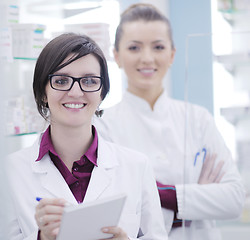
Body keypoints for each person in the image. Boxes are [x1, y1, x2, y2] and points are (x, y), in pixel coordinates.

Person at [0, 32, 167, 240]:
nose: (75, 92)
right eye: (62, 80)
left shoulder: (136, 166)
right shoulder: (8, 172)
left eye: (90, 81)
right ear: (43, 92)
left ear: (102, 93)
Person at [94, 3, 245, 240]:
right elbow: (119, 214)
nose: (147, 58)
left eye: (158, 47)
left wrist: (161, 195)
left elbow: (234, 199)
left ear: (172, 54)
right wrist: (196, 201)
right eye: (134, 47)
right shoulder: (102, 127)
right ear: (117, 56)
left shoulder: (198, 119)